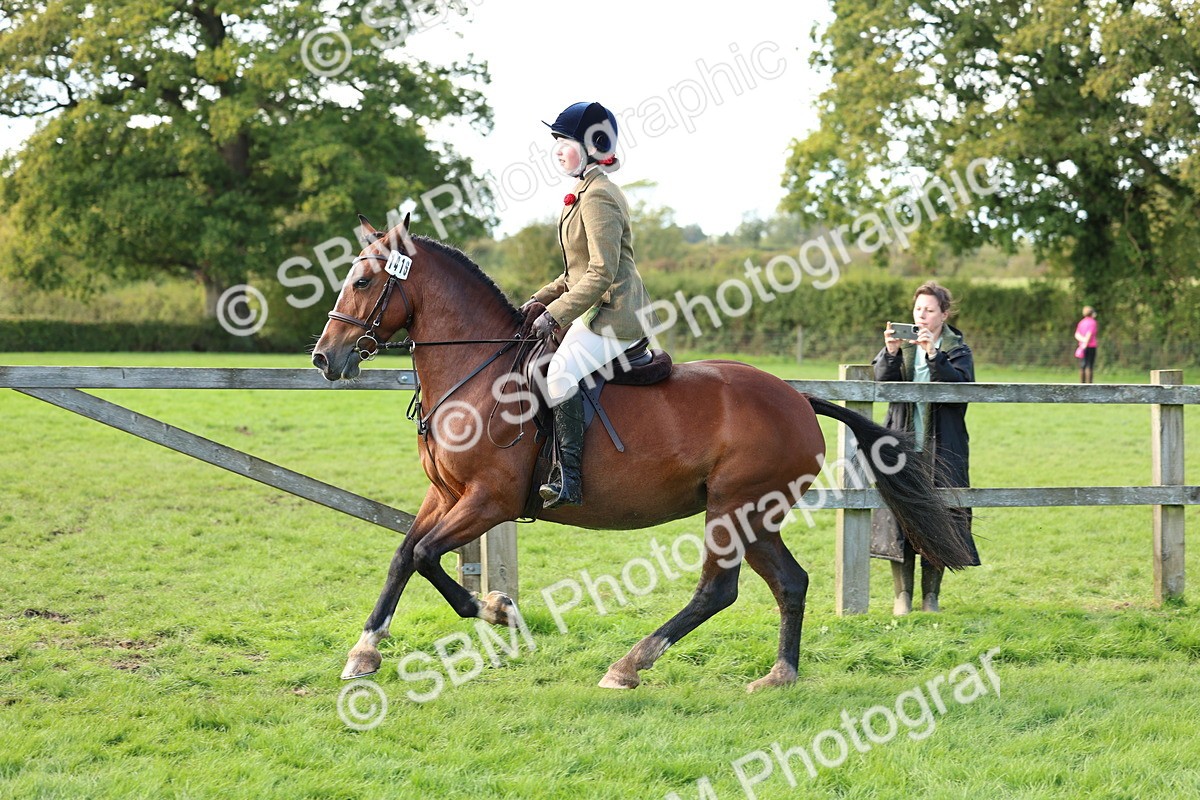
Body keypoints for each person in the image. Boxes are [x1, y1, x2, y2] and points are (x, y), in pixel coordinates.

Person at [522, 101, 658, 509]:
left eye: (564, 141)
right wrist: (536, 300)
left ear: (591, 145)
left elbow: (600, 273)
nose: (557, 149)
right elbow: (573, 273)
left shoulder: (599, 196)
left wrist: (556, 314)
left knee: (560, 372)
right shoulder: (582, 193)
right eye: (557, 141)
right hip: (594, 310)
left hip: (616, 315)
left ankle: (570, 480)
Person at [870, 281, 981, 614]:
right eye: (918, 309)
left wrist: (934, 354)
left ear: (944, 314)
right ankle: (901, 595)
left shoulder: (957, 349)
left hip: (943, 448)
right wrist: (889, 353)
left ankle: (930, 596)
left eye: (930, 309)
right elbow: (880, 383)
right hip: (901, 445)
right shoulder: (901, 348)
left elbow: (961, 387)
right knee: (900, 512)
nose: (922, 315)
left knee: (940, 516)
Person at [1074, 306, 1098, 384]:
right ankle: (1089, 385)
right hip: (1090, 346)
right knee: (1089, 365)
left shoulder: (1081, 322)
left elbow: (1077, 334)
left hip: (1082, 346)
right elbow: (1089, 334)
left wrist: (1083, 342)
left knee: (1082, 365)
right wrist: (1086, 343)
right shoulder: (1092, 322)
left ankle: (1082, 384)